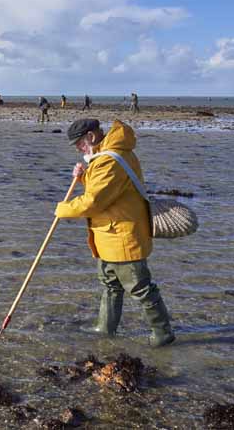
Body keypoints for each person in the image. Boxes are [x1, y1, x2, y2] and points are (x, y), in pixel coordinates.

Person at [54, 118, 176, 347]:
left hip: (122, 237)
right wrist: (83, 177)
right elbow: (107, 190)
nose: (79, 149)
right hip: (108, 236)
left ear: (91, 136)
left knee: (140, 288)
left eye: (79, 144)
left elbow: (94, 201)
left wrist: (63, 209)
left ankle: (163, 334)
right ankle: (105, 329)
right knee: (110, 285)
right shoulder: (106, 156)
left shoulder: (109, 160)